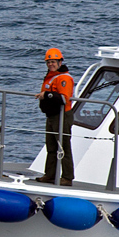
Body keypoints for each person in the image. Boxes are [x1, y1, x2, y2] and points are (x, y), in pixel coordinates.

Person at [35, 47, 75, 185]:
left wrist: (47, 95)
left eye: (53, 62)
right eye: (48, 62)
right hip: (51, 115)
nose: (50, 64)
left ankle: (67, 177)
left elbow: (64, 98)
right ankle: (50, 174)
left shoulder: (64, 78)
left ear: (59, 62)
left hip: (62, 115)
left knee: (64, 146)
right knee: (51, 147)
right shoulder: (51, 76)